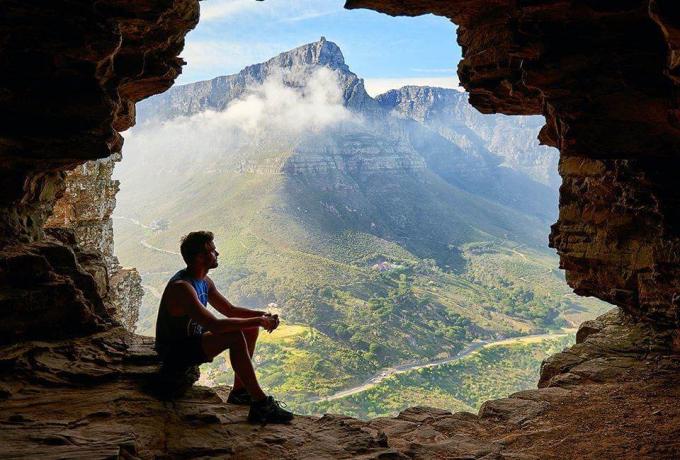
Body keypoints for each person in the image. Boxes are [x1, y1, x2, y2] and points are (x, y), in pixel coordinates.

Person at [154, 230, 293, 424]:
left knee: (249, 329)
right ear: (200, 257)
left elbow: (229, 309)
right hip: (175, 352)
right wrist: (259, 321)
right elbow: (215, 325)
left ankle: (240, 392)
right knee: (234, 336)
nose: (217, 253)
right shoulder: (182, 287)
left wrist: (262, 316)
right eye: (212, 250)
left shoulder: (204, 281)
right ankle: (261, 404)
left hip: (191, 341)